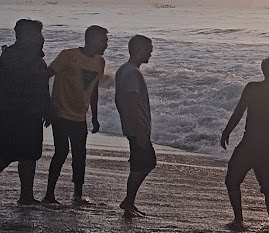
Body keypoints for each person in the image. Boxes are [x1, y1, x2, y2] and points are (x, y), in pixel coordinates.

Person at [220, 58, 269, 233]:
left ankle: (240, 220)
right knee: (267, 189)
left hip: (249, 144)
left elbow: (238, 112)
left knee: (233, 181)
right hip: (265, 147)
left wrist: (227, 131)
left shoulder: (252, 88)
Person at [43, 23, 108, 205]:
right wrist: (48, 105)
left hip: (80, 116)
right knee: (61, 152)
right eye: (104, 41)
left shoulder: (99, 62)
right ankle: (49, 194)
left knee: (80, 155)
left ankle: (78, 195)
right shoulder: (68, 55)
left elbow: (94, 89)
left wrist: (94, 116)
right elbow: (45, 76)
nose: (106, 45)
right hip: (60, 113)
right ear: (93, 40)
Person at [0, 19, 51, 206]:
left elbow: (42, 86)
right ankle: (26, 196)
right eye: (37, 34)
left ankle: (26, 196)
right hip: (14, 113)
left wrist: (46, 107)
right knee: (7, 153)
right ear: (25, 36)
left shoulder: (34, 57)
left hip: (31, 114)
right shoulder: (13, 56)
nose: (41, 38)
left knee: (29, 155)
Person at [114, 35, 155, 221]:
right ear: (138, 49)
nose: (151, 52)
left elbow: (118, 100)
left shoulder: (124, 70)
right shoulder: (132, 73)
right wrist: (139, 131)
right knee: (146, 162)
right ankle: (128, 201)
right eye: (148, 48)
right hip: (138, 129)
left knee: (139, 163)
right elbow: (130, 101)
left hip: (132, 127)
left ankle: (129, 201)